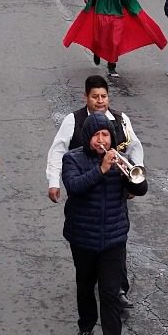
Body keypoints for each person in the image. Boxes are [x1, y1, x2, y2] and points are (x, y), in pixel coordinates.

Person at [45, 75, 144, 309]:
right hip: (85, 196)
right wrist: (53, 181)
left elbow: (135, 147)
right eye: (95, 97)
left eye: (104, 97)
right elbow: (57, 150)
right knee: (87, 269)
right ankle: (88, 316)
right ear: (86, 97)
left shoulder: (120, 119)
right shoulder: (74, 120)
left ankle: (118, 290)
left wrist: (134, 175)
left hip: (112, 195)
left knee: (116, 242)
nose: (100, 101)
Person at [62, 113, 148, 335]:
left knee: (110, 298)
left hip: (113, 240)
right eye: (97, 135)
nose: (102, 140)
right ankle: (86, 326)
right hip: (83, 238)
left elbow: (142, 188)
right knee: (85, 287)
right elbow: (74, 187)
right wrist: (100, 169)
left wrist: (129, 172)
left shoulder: (119, 160)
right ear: (88, 137)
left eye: (106, 135)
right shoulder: (72, 159)